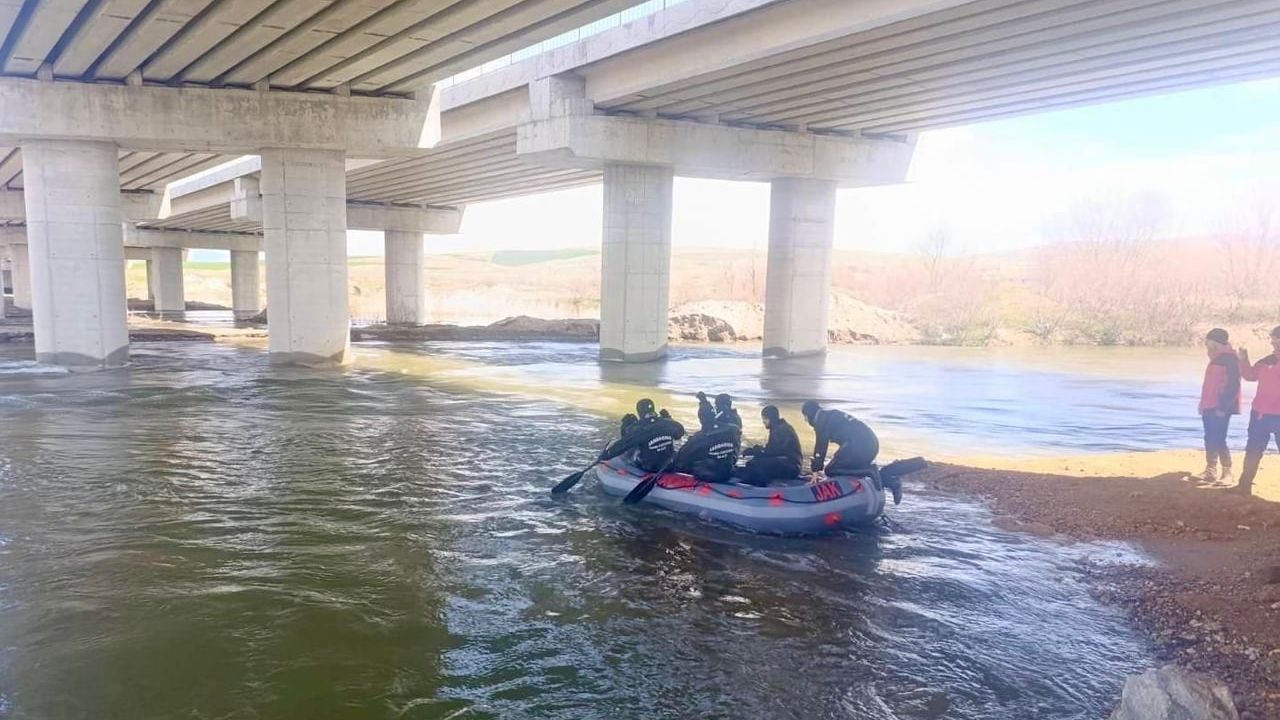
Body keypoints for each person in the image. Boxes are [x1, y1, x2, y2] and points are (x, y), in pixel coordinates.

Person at [1234, 326, 1280, 495]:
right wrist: (1243, 359)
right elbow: (1250, 376)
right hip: (1260, 414)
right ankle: (1244, 486)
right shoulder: (1267, 360)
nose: (1273, 342)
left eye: (1276, 339)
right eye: (1273, 339)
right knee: (1253, 449)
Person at [1195, 328, 1240, 485]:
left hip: (1220, 406)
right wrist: (1202, 403)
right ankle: (1210, 470)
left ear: (1214, 342)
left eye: (1208, 342)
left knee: (1219, 438)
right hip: (1209, 404)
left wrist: (1223, 407)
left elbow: (1233, 387)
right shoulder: (1216, 358)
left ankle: (1227, 472)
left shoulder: (1230, 360)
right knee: (1209, 436)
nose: (1206, 345)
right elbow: (1209, 385)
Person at [599, 399, 685, 472]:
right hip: (668, 464)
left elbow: (624, 444)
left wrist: (606, 455)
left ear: (639, 413)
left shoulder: (639, 428)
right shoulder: (669, 424)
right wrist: (668, 418)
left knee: (628, 452)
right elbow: (680, 433)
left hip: (649, 467)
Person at [676, 393, 742, 483]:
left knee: (687, 457)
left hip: (710, 470)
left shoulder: (705, 434)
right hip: (728, 463)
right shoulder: (734, 425)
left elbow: (684, 454)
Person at [801, 401, 879, 476]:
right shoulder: (830, 415)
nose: (805, 420)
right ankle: (865, 468)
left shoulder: (822, 421)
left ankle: (868, 472)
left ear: (810, 414)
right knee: (839, 460)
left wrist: (815, 470)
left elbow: (820, 447)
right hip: (870, 445)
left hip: (862, 447)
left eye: (805, 416)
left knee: (831, 470)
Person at [736, 405, 803, 486]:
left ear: (770, 418)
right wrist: (759, 450)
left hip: (791, 466)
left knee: (755, 463)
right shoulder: (780, 427)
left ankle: (760, 485)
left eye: (764, 419)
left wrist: (756, 451)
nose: (763, 421)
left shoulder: (781, 430)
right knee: (757, 460)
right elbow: (773, 449)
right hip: (791, 463)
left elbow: (773, 451)